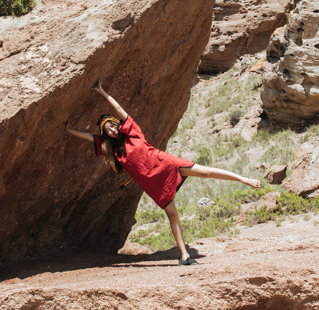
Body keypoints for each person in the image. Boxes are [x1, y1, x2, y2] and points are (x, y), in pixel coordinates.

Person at [66, 79, 260, 265]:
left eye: (114, 126)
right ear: (106, 135)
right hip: (152, 183)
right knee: (172, 215)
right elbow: (89, 137)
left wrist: (102, 92)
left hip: (165, 163)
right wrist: (69, 131)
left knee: (205, 172)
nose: (113, 130)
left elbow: (119, 110)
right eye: (108, 130)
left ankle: (244, 179)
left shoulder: (132, 131)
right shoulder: (113, 151)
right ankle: (184, 255)